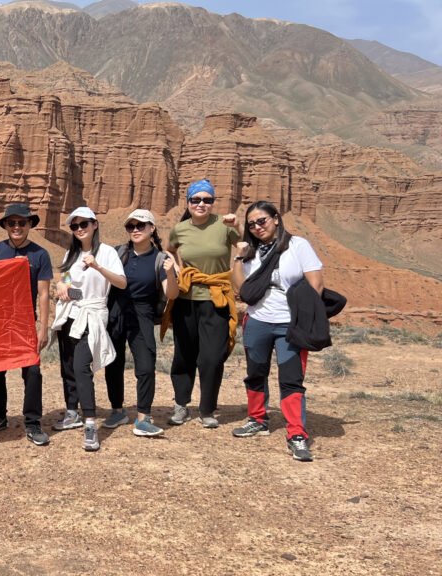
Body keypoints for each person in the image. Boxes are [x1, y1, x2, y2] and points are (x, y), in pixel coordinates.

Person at [230, 201, 323, 462]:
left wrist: (305, 318)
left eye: (262, 221)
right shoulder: (252, 251)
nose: (258, 227)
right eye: (252, 224)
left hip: (289, 323)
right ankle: (257, 419)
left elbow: (316, 283)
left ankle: (297, 434)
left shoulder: (298, 246)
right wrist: (238, 256)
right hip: (257, 320)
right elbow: (241, 289)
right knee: (255, 373)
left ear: (276, 219)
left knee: (291, 378)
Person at [165, 179, 241, 429]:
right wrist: (177, 269)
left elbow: (242, 246)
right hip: (187, 300)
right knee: (184, 355)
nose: (201, 204)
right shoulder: (180, 229)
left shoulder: (223, 225)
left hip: (216, 298)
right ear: (188, 202)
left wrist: (238, 226)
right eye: (196, 200)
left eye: (207, 200)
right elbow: (169, 250)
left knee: (211, 358)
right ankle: (180, 405)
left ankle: (207, 409)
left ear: (213, 202)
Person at [51, 207, 126, 451]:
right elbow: (67, 282)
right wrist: (61, 286)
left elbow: (121, 283)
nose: (80, 229)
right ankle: (72, 412)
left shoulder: (107, 253)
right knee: (69, 366)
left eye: (84, 224)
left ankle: (90, 423)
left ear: (95, 225)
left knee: (82, 368)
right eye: (75, 226)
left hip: (92, 315)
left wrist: (97, 267)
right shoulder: (70, 255)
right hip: (71, 314)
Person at [0, 203, 53, 446]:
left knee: (32, 372)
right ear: (6, 226)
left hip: (25, 323)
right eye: (12, 223)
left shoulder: (40, 254)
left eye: (22, 222)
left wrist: (43, 328)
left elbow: (43, 294)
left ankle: (32, 422)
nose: (17, 227)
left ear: (30, 224)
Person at [104, 209, 179, 438]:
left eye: (140, 225)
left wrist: (172, 274)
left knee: (146, 366)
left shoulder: (161, 259)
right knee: (113, 364)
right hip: (116, 313)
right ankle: (117, 411)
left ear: (151, 228)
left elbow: (171, 294)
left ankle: (143, 417)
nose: (135, 230)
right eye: (131, 226)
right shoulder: (117, 253)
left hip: (142, 316)